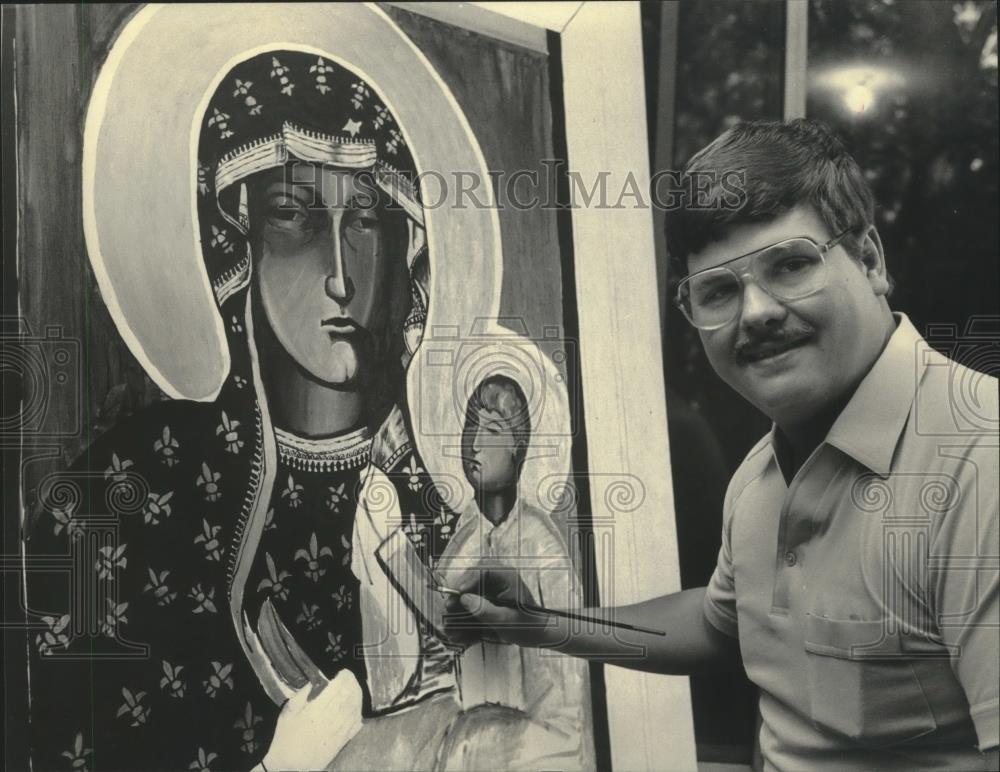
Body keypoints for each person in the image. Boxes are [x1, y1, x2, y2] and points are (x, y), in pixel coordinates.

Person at [447, 119, 999, 771]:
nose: (756, 312)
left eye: (791, 265)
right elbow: (719, 623)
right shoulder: (762, 474)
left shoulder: (979, 461)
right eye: (718, 291)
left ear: (871, 261)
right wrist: (544, 625)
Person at [25, 50, 459, 771]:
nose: (342, 277)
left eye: (367, 219)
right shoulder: (125, 494)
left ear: (408, 242)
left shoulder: (450, 494)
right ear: (238, 240)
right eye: (293, 216)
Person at [435, 374, 595, 770]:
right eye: (470, 425)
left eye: (490, 429)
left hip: (537, 743)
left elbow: (574, 667)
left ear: (518, 448)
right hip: (465, 735)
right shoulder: (458, 547)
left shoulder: (541, 544)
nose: (473, 443)